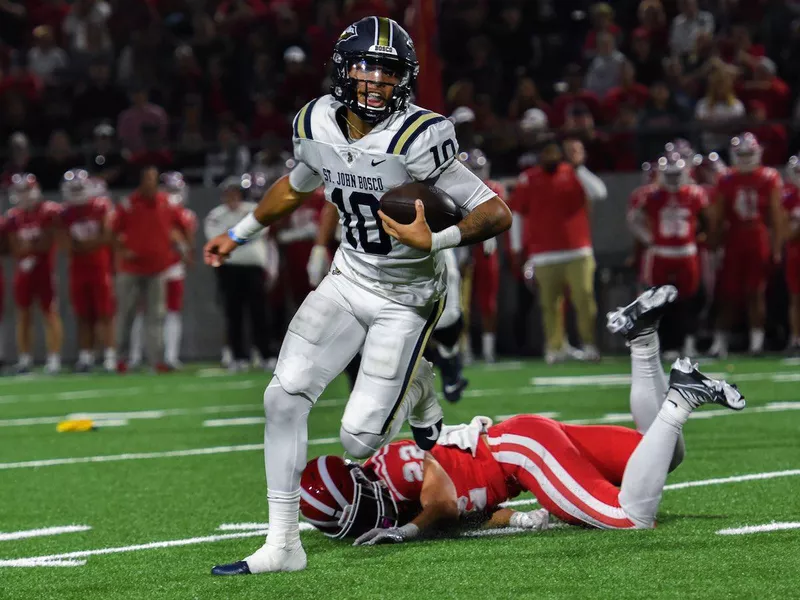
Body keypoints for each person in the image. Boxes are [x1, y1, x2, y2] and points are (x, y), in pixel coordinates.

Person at [205, 16, 512, 575]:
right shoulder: (316, 120)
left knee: (358, 440)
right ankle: (283, 544)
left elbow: (496, 211)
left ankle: (421, 387)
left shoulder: (420, 136)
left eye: (388, 71)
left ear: (406, 79)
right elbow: (296, 186)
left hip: (408, 295)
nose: (375, 81)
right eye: (366, 67)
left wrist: (435, 236)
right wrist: (241, 232)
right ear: (343, 70)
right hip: (349, 278)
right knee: (282, 399)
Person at [300, 286, 745, 543]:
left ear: (358, 479)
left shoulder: (390, 467)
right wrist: (519, 519)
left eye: (358, 510)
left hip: (521, 452)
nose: (366, 521)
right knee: (662, 456)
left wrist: (409, 531)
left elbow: (440, 500)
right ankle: (643, 339)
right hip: (523, 441)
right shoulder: (398, 497)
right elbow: (465, 511)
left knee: (630, 517)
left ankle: (680, 399)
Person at [509, 139, 607, 363]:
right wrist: (516, 248)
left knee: (584, 299)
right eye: (546, 153)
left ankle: (589, 344)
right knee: (550, 305)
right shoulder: (529, 178)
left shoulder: (573, 173)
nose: (550, 157)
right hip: (543, 253)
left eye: (554, 152)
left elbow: (599, 193)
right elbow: (518, 214)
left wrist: (579, 167)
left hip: (578, 250)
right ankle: (555, 347)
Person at [709, 133, 785, 357]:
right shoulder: (726, 178)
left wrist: (777, 247)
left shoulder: (769, 177)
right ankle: (720, 342)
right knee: (727, 293)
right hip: (734, 236)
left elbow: (776, 215)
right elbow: (717, 215)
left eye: (748, 154)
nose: (745, 158)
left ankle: (756, 342)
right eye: (741, 154)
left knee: (756, 292)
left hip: (757, 235)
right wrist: (714, 244)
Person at [112, 166, 188, 371]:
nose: (151, 183)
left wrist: (183, 249)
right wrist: (122, 249)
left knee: (157, 315)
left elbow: (183, 226)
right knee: (126, 314)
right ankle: (121, 359)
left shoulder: (167, 203)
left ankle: (158, 360)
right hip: (131, 268)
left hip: (157, 269)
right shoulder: (128, 204)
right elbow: (112, 231)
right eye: (147, 179)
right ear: (141, 181)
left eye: (154, 179)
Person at [631, 155, 709, 356]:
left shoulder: (695, 193)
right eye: (670, 175)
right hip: (661, 254)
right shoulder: (651, 195)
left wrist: (699, 235)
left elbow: (706, 220)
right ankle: (666, 345)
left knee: (689, 301)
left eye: (676, 174)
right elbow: (633, 218)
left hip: (686, 253)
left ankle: (689, 344)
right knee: (659, 301)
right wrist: (649, 238)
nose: (673, 179)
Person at [203, 175, 274, 373]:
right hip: (230, 268)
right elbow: (216, 239)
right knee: (233, 313)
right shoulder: (216, 214)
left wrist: (232, 236)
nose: (232, 196)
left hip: (253, 267)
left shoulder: (254, 210)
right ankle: (238, 356)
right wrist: (241, 235)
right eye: (229, 193)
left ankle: (265, 354)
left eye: (235, 192)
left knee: (259, 313)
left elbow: (260, 231)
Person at [129, 172, 196, 370]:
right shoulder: (152, 209)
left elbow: (186, 239)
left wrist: (184, 250)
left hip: (173, 266)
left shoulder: (185, 214)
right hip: (152, 266)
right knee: (143, 311)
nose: (173, 195)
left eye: (176, 190)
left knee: (172, 312)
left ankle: (170, 356)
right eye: (169, 190)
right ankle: (135, 356)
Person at [5, 173, 63, 374]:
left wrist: (29, 248)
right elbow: (14, 247)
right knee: (23, 315)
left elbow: (48, 240)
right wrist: (29, 248)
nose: (23, 195)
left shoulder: (48, 211)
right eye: (19, 191)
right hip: (23, 272)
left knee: (50, 313)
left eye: (26, 190)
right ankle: (25, 359)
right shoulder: (14, 216)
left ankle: (54, 358)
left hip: (44, 270)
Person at [59, 168, 116, 372]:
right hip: (78, 269)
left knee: (105, 313)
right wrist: (89, 244)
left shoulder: (101, 206)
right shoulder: (65, 213)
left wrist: (84, 246)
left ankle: (110, 355)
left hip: (99, 266)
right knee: (83, 315)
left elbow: (108, 236)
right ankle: (86, 356)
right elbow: (64, 242)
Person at [458, 148, 502, 363]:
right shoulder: (454, 190)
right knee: (460, 304)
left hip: (484, 250)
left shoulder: (494, 189)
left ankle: (488, 350)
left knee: (488, 302)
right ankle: (463, 348)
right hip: (461, 247)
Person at [782, 156, 800, 354]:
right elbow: (786, 232)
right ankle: (796, 338)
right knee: (795, 298)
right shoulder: (788, 197)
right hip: (795, 251)